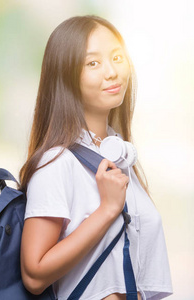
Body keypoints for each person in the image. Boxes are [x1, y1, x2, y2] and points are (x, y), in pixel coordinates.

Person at [19, 15, 173, 300]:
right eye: (93, 63)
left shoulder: (120, 157)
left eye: (117, 57)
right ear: (66, 76)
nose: (112, 72)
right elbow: (34, 273)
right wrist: (106, 210)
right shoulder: (56, 162)